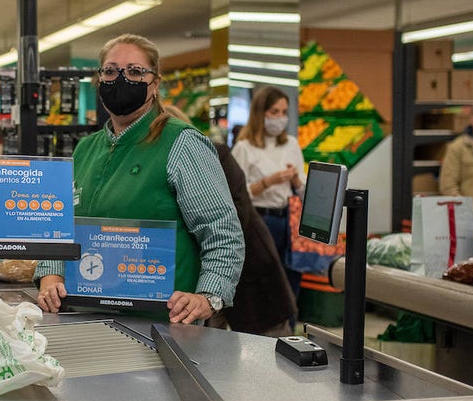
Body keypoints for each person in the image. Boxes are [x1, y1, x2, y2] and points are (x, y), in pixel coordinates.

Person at [35, 34, 244, 324]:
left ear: (155, 83)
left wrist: (207, 296)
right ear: (99, 81)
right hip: (84, 316)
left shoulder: (182, 144)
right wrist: (50, 274)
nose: (121, 80)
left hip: (161, 326)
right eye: (110, 71)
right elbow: (59, 227)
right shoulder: (86, 148)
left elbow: (222, 232)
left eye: (135, 71)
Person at [163, 107, 294, 337]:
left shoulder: (216, 154)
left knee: (269, 345)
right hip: (207, 282)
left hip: (250, 270)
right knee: (216, 350)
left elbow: (233, 219)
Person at [232, 86, 306, 307]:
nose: (280, 118)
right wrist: (267, 182)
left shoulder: (291, 144)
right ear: (260, 113)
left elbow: (302, 188)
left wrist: (295, 181)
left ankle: (289, 329)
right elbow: (235, 192)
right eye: (274, 112)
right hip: (260, 220)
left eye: (284, 112)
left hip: (288, 220)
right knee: (265, 283)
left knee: (291, 280)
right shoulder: (244, 148)